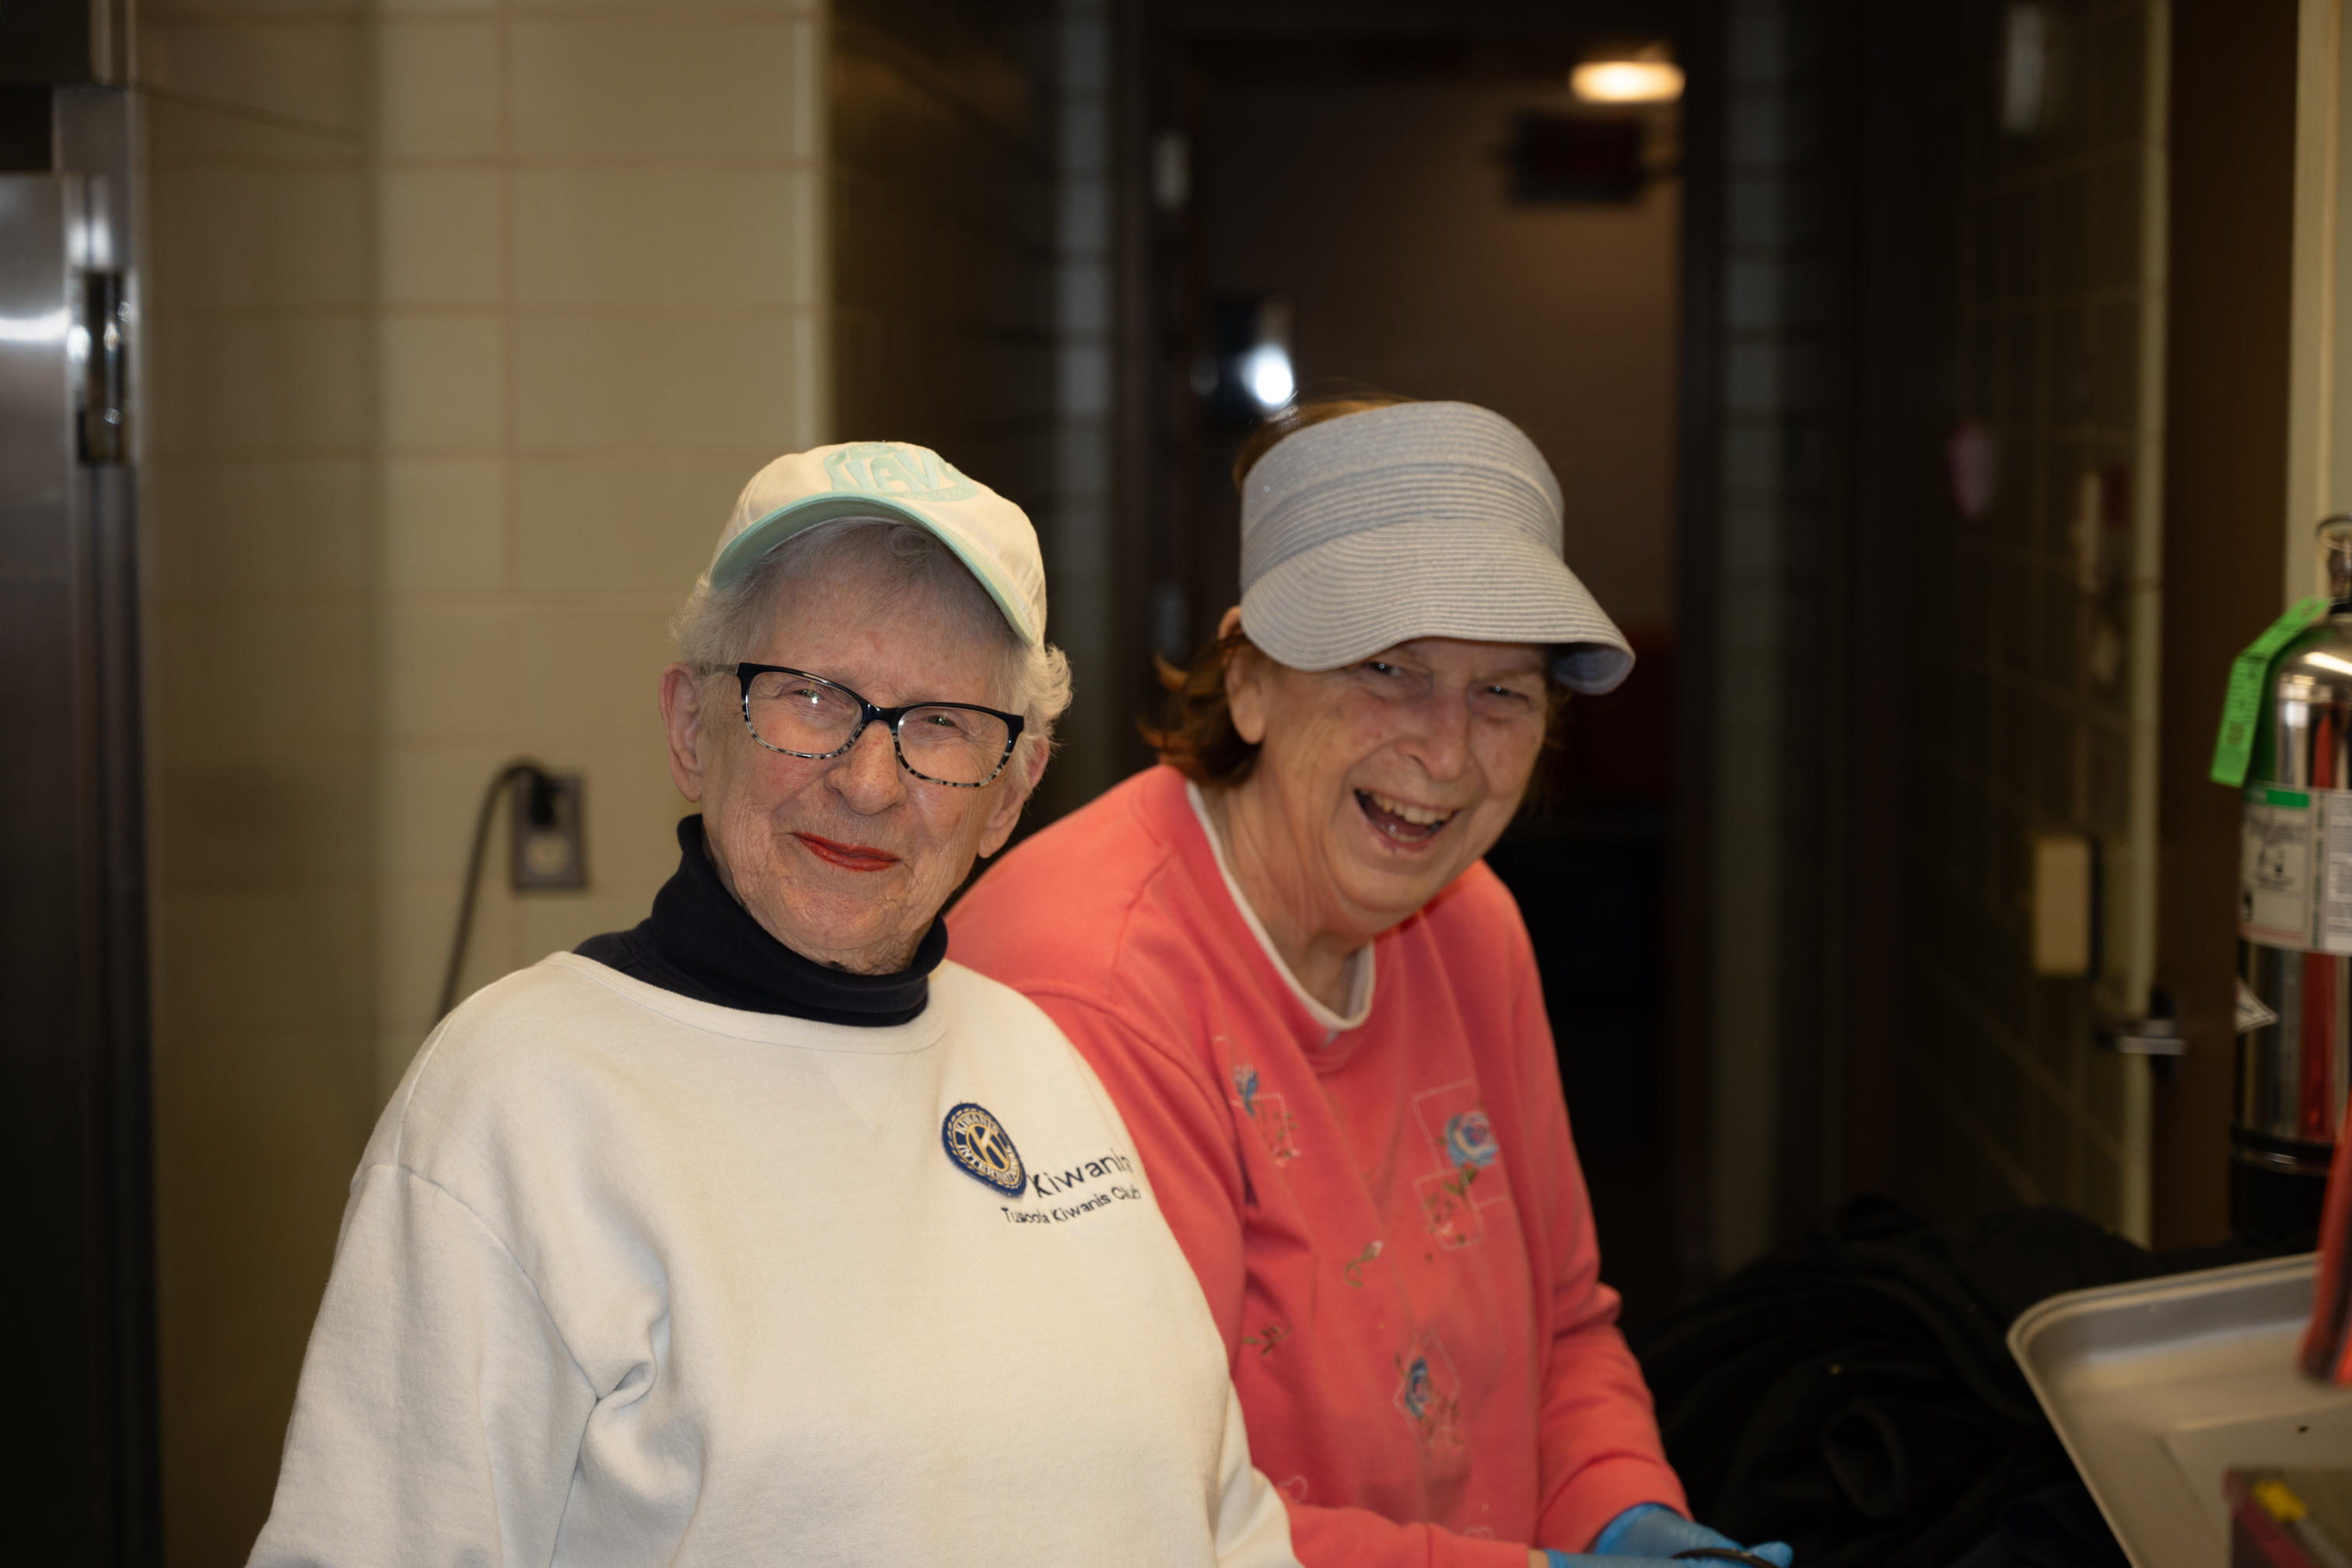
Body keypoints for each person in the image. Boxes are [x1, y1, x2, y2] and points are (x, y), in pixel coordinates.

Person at [250, 441, 1299, 1567]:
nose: (869, 781)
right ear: (691, 730)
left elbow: (1223, 1519)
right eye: (809, 697)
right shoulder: (517, 1102)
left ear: (1010, 795)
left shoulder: (1037, 1059)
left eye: (940, 722)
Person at [949, 398, 1792, 1568]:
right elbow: (1142, 1511)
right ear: (1249, 679)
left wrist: (1621, 1513)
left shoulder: (1471, 927)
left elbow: (1564, 1328)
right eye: (1389, 667)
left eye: (1503, 692)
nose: (1445, 753)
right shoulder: (1090, 991)